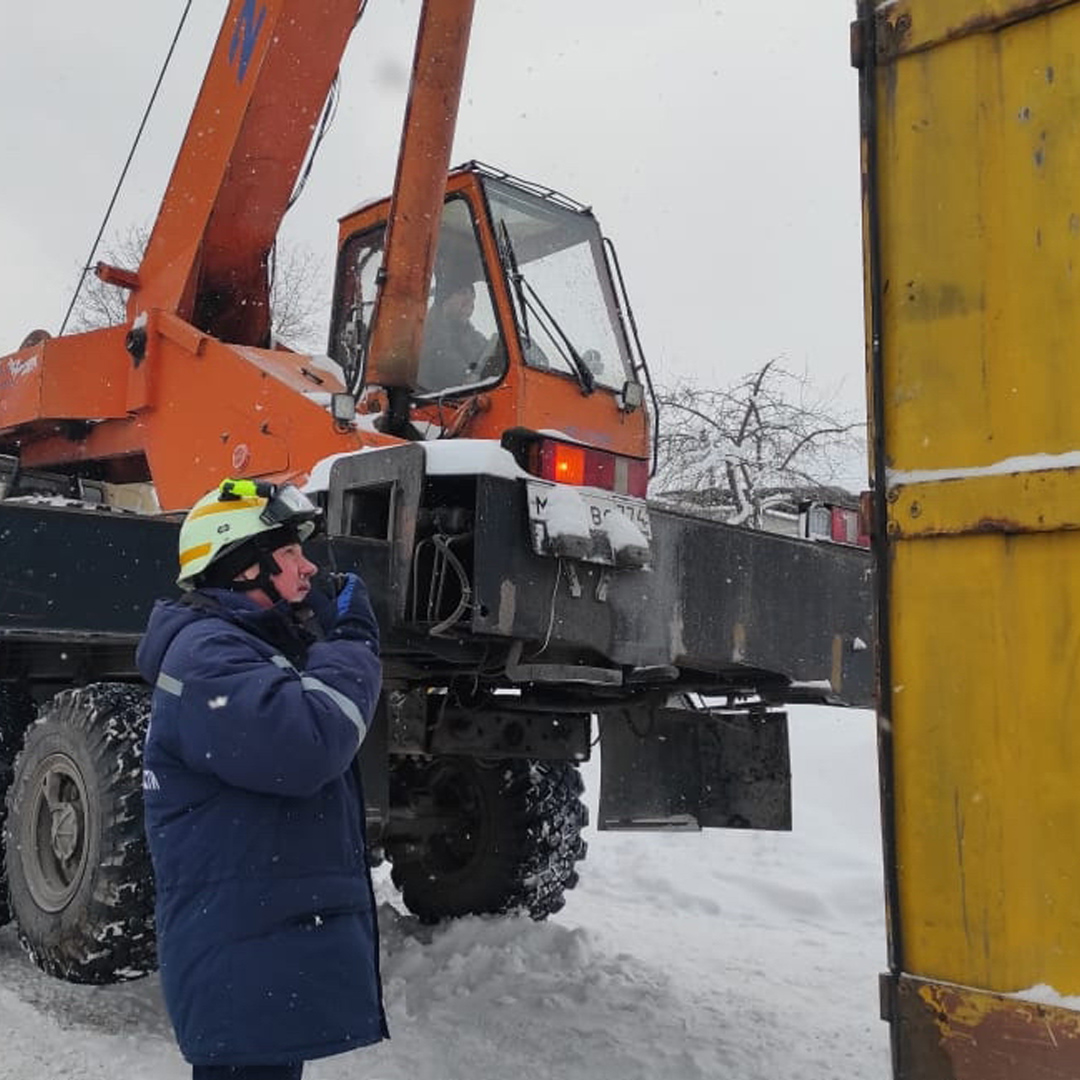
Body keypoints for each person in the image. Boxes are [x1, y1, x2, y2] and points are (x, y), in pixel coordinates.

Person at [136, 477, 388, 1080]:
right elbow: (308, 745)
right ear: (241, 566)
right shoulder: (206, 658)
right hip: (242, 954)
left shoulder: (245, 648)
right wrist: (352, 641)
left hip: (260, 946)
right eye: (290, 555)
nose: (308, 570)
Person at [417, 275, 490, 392]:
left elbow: (486, 354)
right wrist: (467, 376)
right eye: (462, 293)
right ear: (445, 300)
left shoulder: (470, 335)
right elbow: (448, 366)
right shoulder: (428, 332)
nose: (470, 302)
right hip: (439, 406)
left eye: (472, 297)